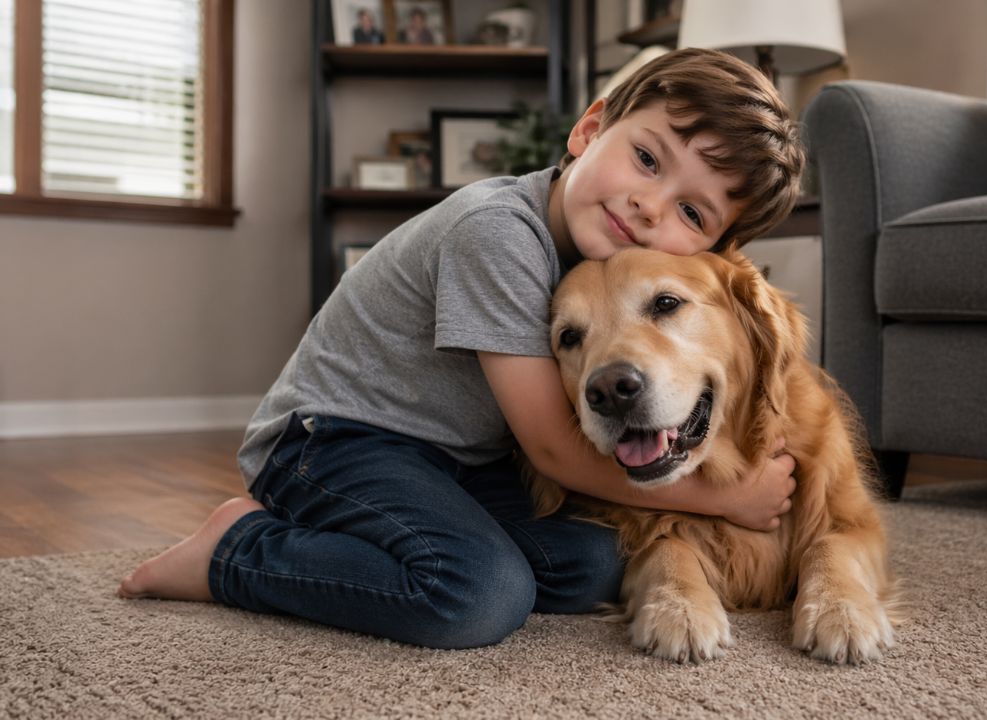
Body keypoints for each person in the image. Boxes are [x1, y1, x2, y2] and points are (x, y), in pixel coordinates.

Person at [117, 48, 807, 649]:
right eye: (647, 159)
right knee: (477, 594)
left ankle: (371, 541)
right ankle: (236, 550)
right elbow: (552, 451)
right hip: (331, 440)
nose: (651, 206)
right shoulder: (496, 233)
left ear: (709, 250)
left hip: (456, 459)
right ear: (589, 130)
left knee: (597, 562)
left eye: (691, 212)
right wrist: (724, 499)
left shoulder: (606, 270)